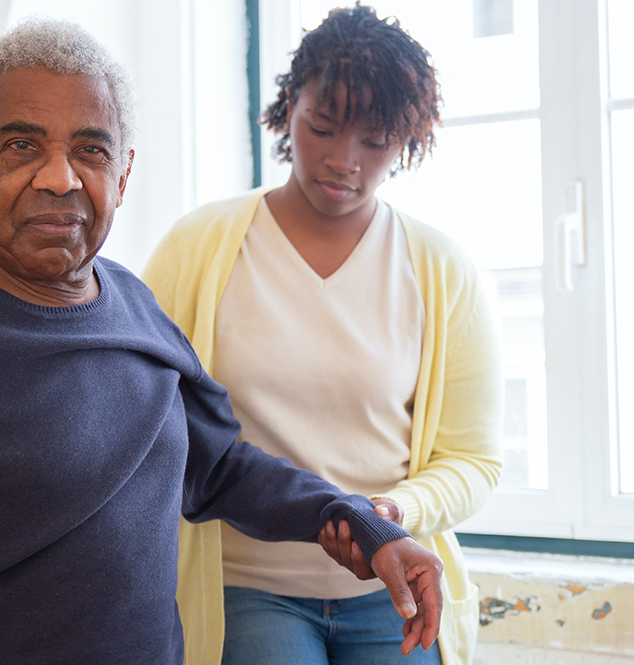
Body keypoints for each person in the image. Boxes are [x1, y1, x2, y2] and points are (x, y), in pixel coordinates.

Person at [0, 20, 444, 665]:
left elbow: (218, 469)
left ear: (123, 175)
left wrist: (357, 519)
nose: (60, 178)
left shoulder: (135, 307)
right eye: (21, 145)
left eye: (91, 150)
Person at [141, 5, 503, 664]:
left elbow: (474, 459)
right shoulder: (197, 248)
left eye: (375, 140)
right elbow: (145, 414)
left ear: (410, 137)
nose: (343, 161)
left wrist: (390, 511)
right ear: (289, 108)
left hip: (393, 580)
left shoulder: (440, 268)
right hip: (246, 584)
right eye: (322, 127)